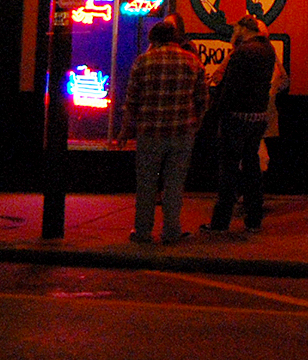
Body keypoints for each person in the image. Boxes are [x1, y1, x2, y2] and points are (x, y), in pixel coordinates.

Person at [117, 18, 207, 244]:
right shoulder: (193, 62)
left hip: (150, 133)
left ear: (153, 39)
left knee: (146, 184)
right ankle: (171, 231)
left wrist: (125, 131)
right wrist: (194, 125)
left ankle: (143, 232)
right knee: (174, 185)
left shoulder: (142, 62)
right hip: (182, 132)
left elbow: (132, 101)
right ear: (176, 39)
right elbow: (203, 100)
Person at [201, 18, 287, 234]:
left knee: (228, 171)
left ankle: (220, 222)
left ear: (245, 30)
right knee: (252, 167)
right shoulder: (267, 50)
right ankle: (254, 219)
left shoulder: (242, 52)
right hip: (257, 115)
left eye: (237, 29)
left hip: (236, 116)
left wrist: (214, 113)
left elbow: (230, 88)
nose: (234, 32)